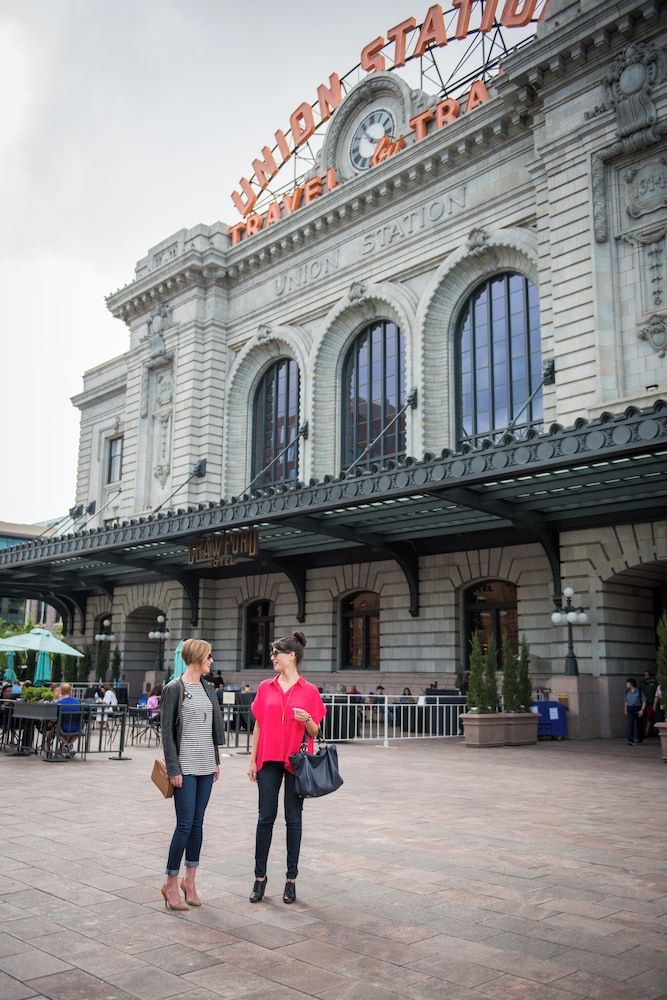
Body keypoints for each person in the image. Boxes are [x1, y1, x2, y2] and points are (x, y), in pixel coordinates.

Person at [247, 631, 325, 905]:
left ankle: (291, 880)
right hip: (268, 758)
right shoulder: (265, 687)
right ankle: (259, 878)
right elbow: (258, 724)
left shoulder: (309, 690)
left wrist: (307, 719)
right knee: (265, 818)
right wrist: (253, 759)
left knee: (293, 819)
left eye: (276, 653)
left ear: (291, 656)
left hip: (296, 762)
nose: (272, 657)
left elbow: (315, 730)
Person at [160, 638, 225, 911]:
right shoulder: (174, 689)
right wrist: (173, 768)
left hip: (206, 765)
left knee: (198, 824)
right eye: (208, 656)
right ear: (197, 658)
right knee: (184, 825)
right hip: (185, 768)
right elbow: (167, 733)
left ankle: (190, 881)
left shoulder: (208, 688)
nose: (211, 661)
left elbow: (210, 729)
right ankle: (170, 882)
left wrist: (216, 761)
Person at [625, 677, 646, 746]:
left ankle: (640, 740)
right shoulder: (627, 692)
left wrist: (642, 710)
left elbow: (644, 701)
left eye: (627, 683)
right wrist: (625, 710)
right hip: (630, 708)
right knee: (630, 725)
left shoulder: (639, 691)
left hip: (637, 708)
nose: (626, 684)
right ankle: (630, 740)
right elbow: (626, 701)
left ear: (631, 684)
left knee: (639, 725)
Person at [640, 670, 658, 735]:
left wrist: (655, 704)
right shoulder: (642, 684)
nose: (646, 676)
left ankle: (647, 731)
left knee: (649, 716)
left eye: (647, 675)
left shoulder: (654, 684)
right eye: (645, 675)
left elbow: (657, 693)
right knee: (643, 716)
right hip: (643, 702)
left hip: (651, 702)